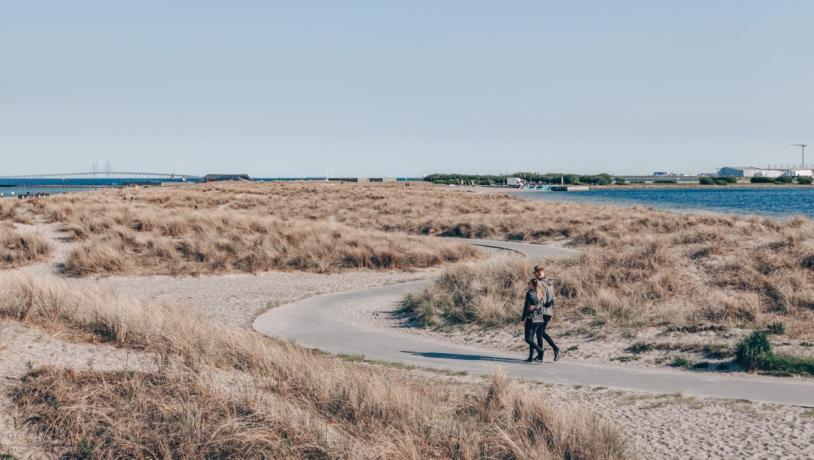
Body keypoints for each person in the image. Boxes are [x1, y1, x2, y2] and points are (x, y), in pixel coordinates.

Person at [533, 265, 561, 362]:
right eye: (537, 273)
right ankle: (545, 353)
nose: (538, 274)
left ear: (542, 272)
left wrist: (549, 303)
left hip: (544, 311)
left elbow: (542, 297)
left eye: (539, 272)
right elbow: (553, 297)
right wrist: (551, 302)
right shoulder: (549, 282)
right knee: (540, 332)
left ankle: (553, 349)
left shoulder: (541, 283)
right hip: (545, 311)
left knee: (539, 332)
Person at [521, 278, 546, 362]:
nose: (528, 284)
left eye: (529, 283)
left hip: (531, 318)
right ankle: (531, 357)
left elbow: (526, 307)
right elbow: (542, 304)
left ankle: (540, 351)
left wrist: (523, 318)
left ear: (532, 284)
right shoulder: (540, 292)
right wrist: (536, 307)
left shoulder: (529, 293)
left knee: (528, 339)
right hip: (539, 319)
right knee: (531, 338)